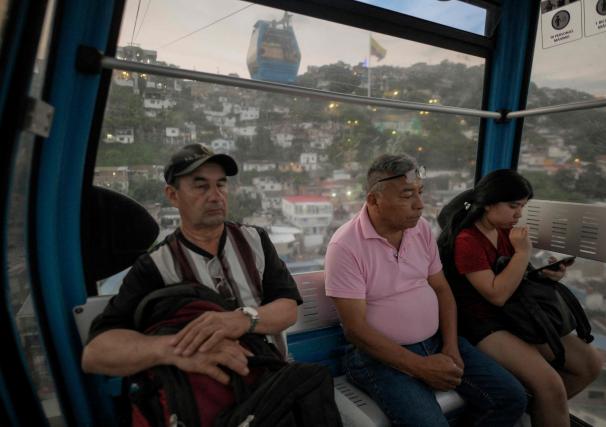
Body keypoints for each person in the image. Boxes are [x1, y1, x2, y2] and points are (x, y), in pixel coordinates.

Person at [324, 154, 527, 426]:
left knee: (512, 398)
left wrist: (451, 346)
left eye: (420, 192)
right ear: (374, 200)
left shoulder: (419, 229)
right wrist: (419, 367)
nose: (420, 205)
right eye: (407, 195)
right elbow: (356, 329)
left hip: (434, 342)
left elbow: (442, 290)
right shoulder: (346, 247)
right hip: (378, 358)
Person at [82, 143, 302, 386]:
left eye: (220, 184)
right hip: (208, 397)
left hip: (274, 384)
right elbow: (96, 353)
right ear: (173, 195)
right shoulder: (156, 265)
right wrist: (174, 349)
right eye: (201, 186)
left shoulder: (255, 240)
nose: (215, 195)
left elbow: (288, 308)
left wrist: (243, 319)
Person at [437, 169, 602, 427]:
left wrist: (545, 275)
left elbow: (513, 275)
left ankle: (539, 412)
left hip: (515, 314)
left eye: (523, 206)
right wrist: (523, 253)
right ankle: (546, 408)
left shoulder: (503, 231)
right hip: (483, 324)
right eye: (513, 206)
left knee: (590, 363)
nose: (519, 214)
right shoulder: (467, 240)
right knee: (550, 386)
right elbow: (496, 294)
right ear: (488, 204)